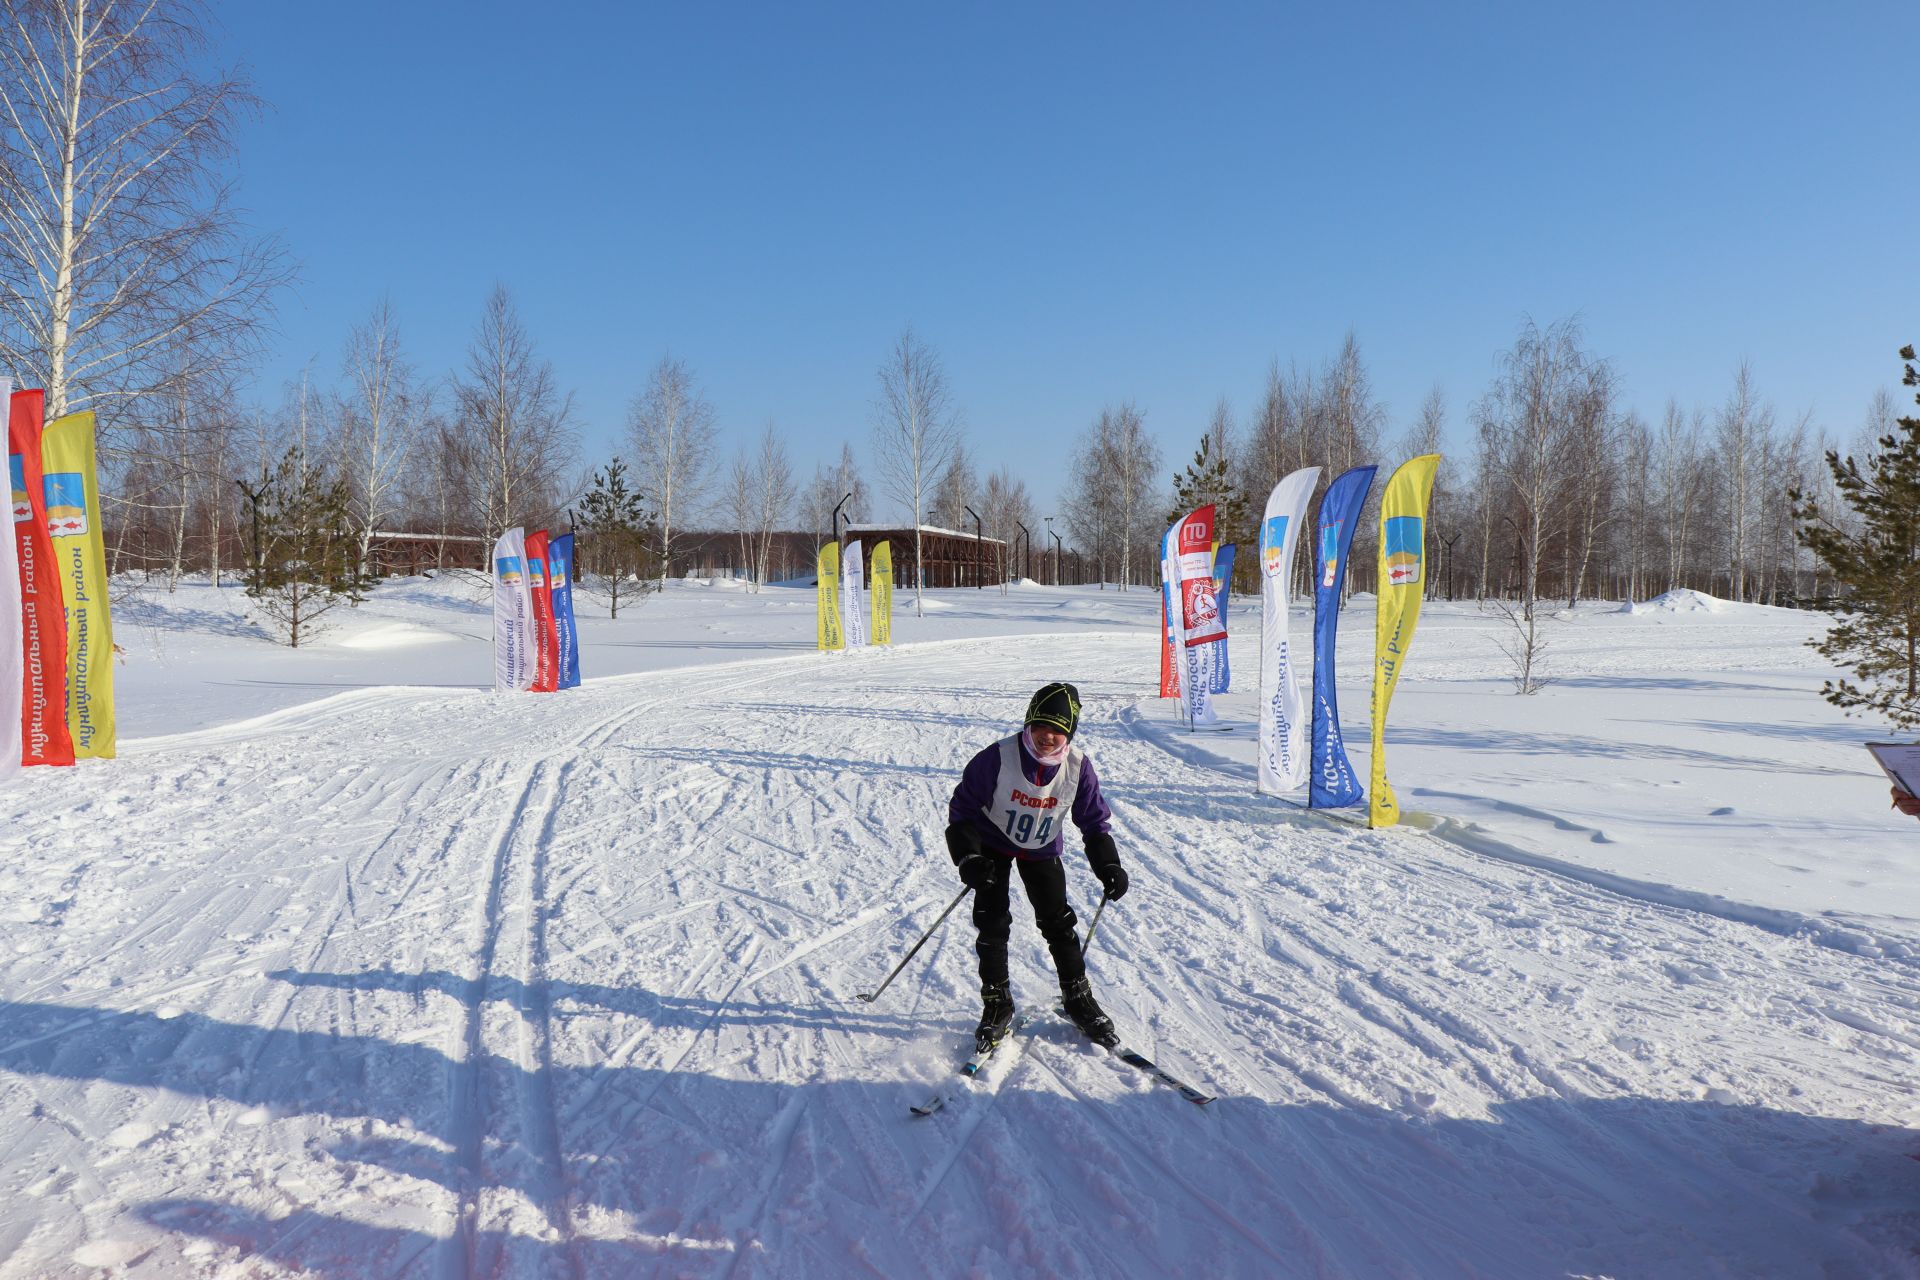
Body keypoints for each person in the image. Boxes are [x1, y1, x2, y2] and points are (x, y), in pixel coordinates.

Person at [945, 682, 1130, 1052]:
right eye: (1041, 726)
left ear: (1069, 733)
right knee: (992, 921)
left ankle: (1077, 997)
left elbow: (1094, 823)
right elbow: (962, 811)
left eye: (1058, 729)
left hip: (1042, 847)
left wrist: (1108, 864)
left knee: (1057, 921)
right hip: (993, 843)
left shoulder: (1077, 768)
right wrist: (969, 857)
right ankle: (997, 1002)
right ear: (1028, 724)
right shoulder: (997, 758)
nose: (1048, 736)